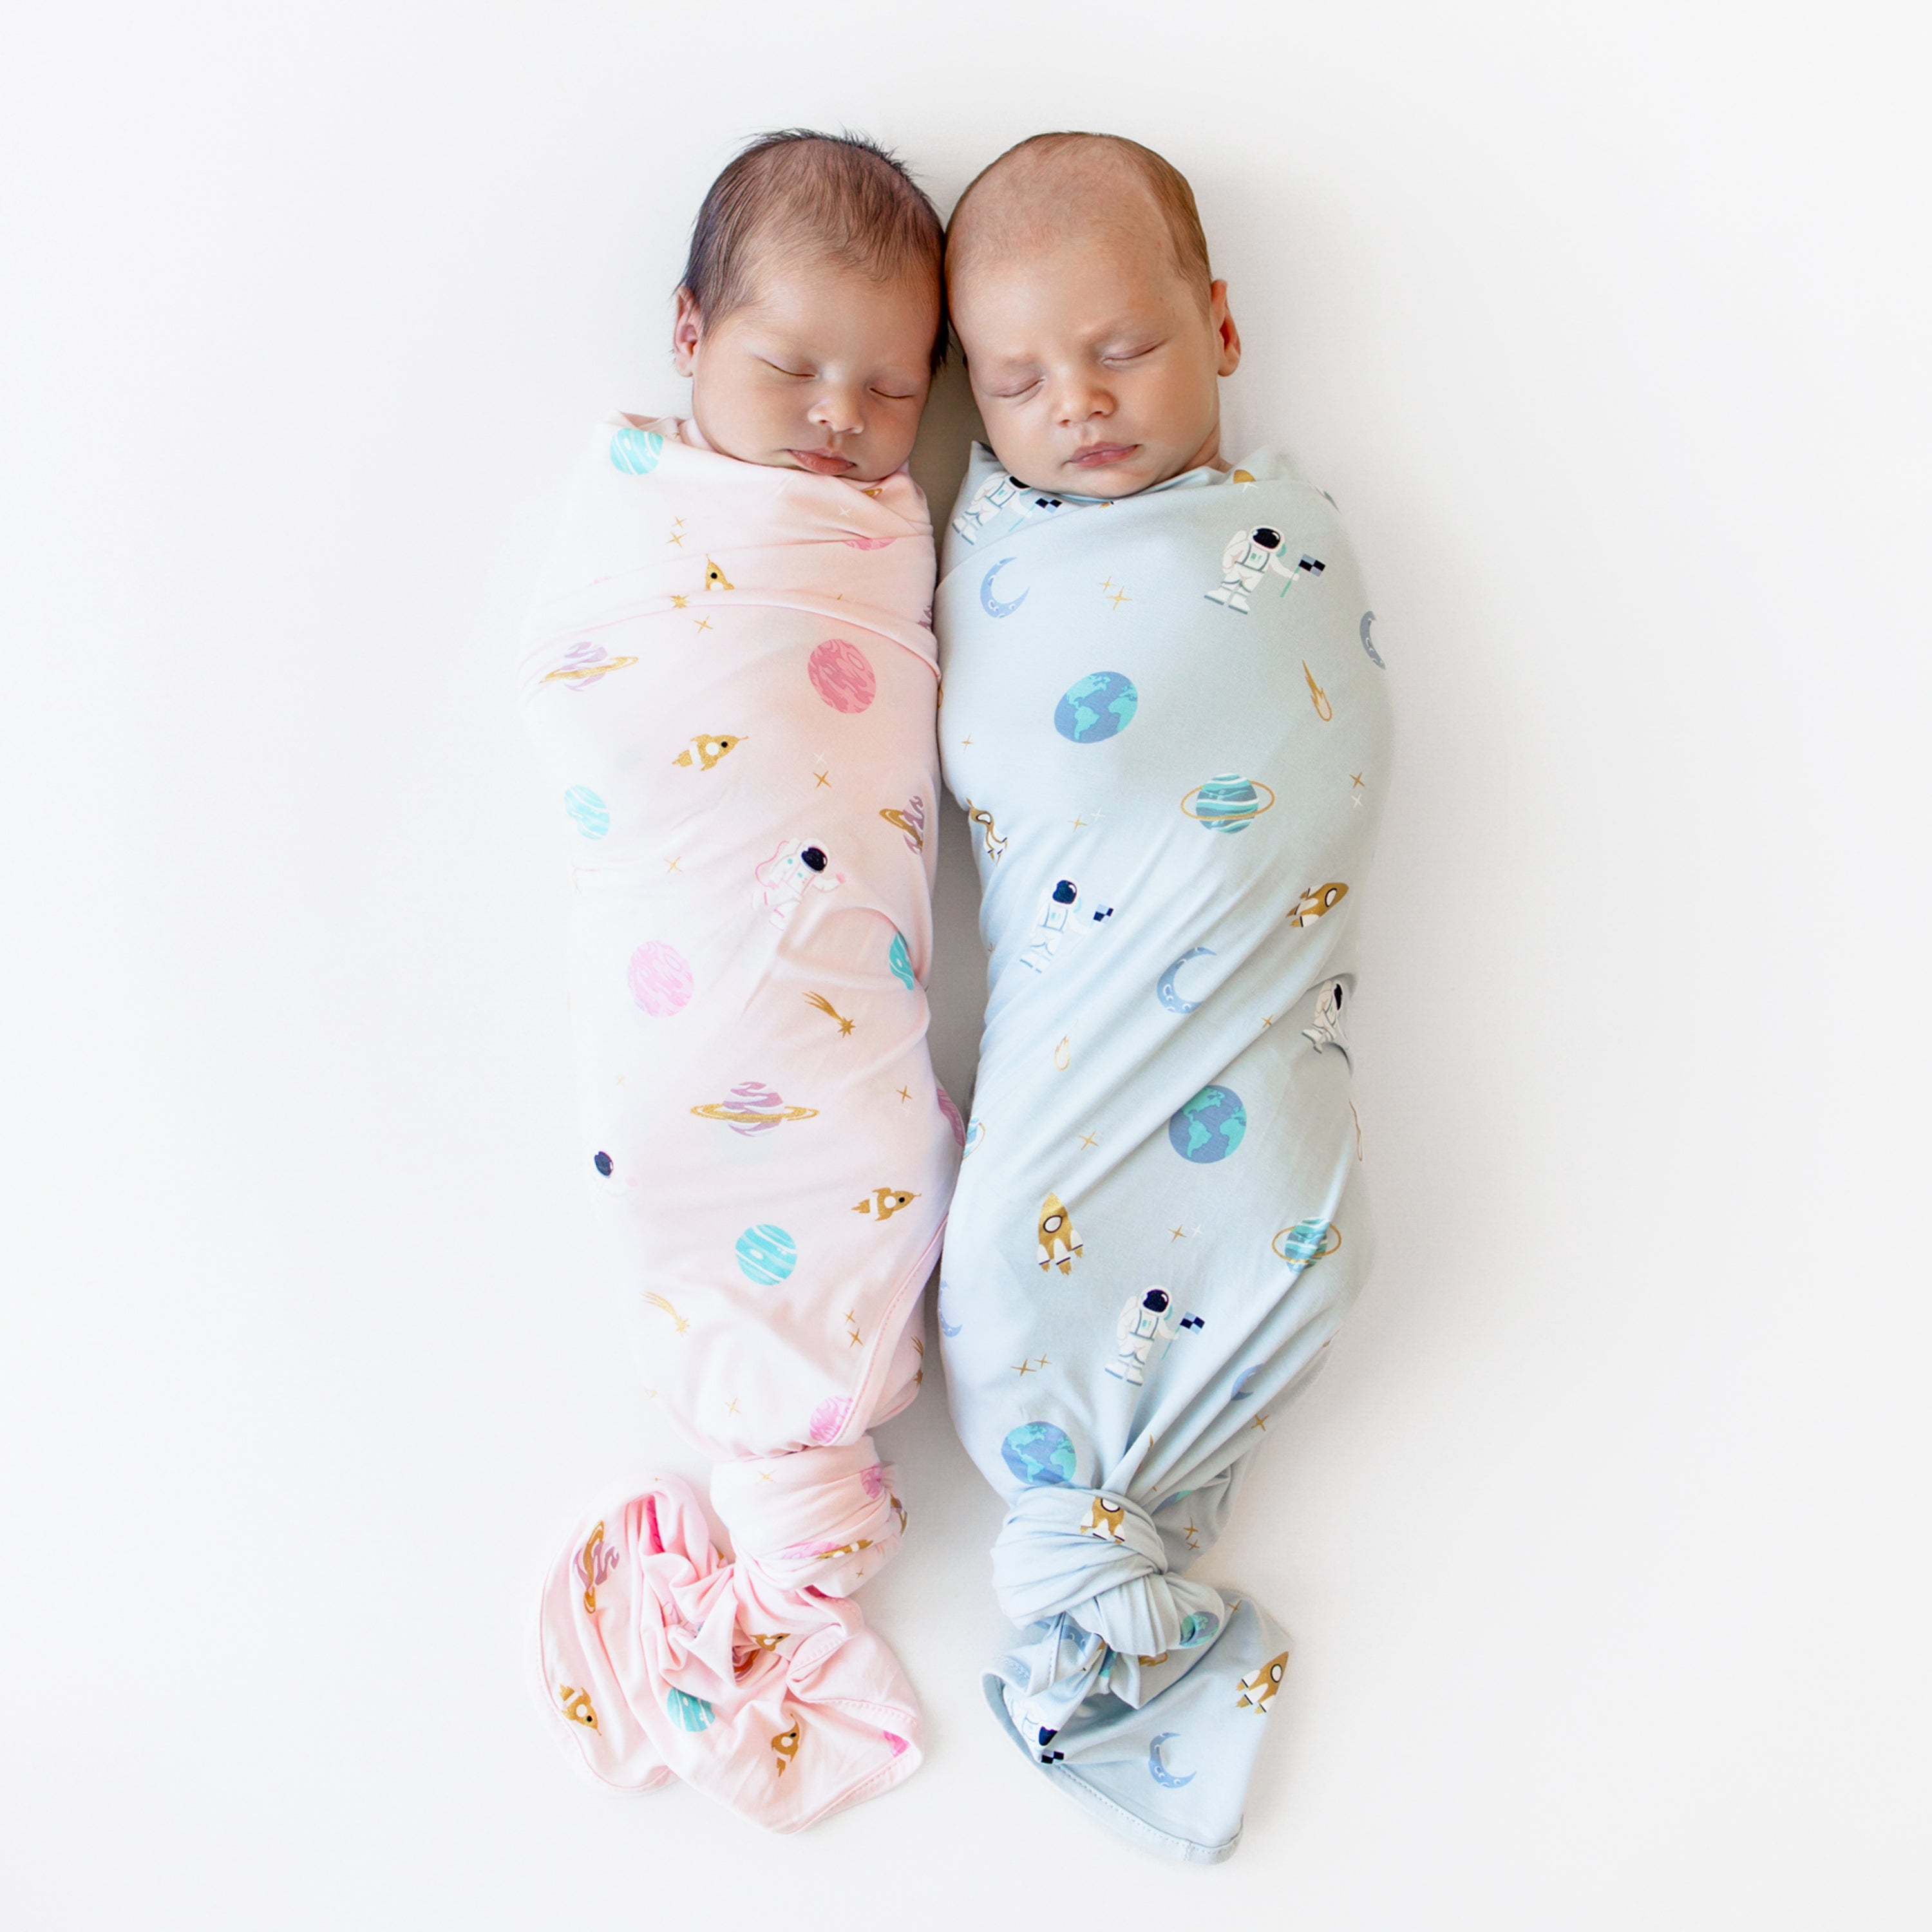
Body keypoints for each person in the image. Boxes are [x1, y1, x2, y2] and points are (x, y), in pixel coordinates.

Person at [933, 131, 1394, 1861]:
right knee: (1004, 1262)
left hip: (1257, 1040)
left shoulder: (1287, 536)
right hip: (1073, 1061)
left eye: (1120, 348)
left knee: (1284, 1201)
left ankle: (1121, 1574)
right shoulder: (1005, 556)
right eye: (1017, 379)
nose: (1077, 406)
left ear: (1218, 321)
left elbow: (1318, 743)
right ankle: (1102, 1570)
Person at [518, 129, 960, 1833]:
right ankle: (780, 1484)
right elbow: (593, 692)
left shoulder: (881, 537)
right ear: (690, 335)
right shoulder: (650, 511)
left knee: (867, 1121)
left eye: (888, 384)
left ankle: (783, 1520)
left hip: (841, 971)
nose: (843, 418)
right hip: (689, 956)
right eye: (793, 367)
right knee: (708, 1084)